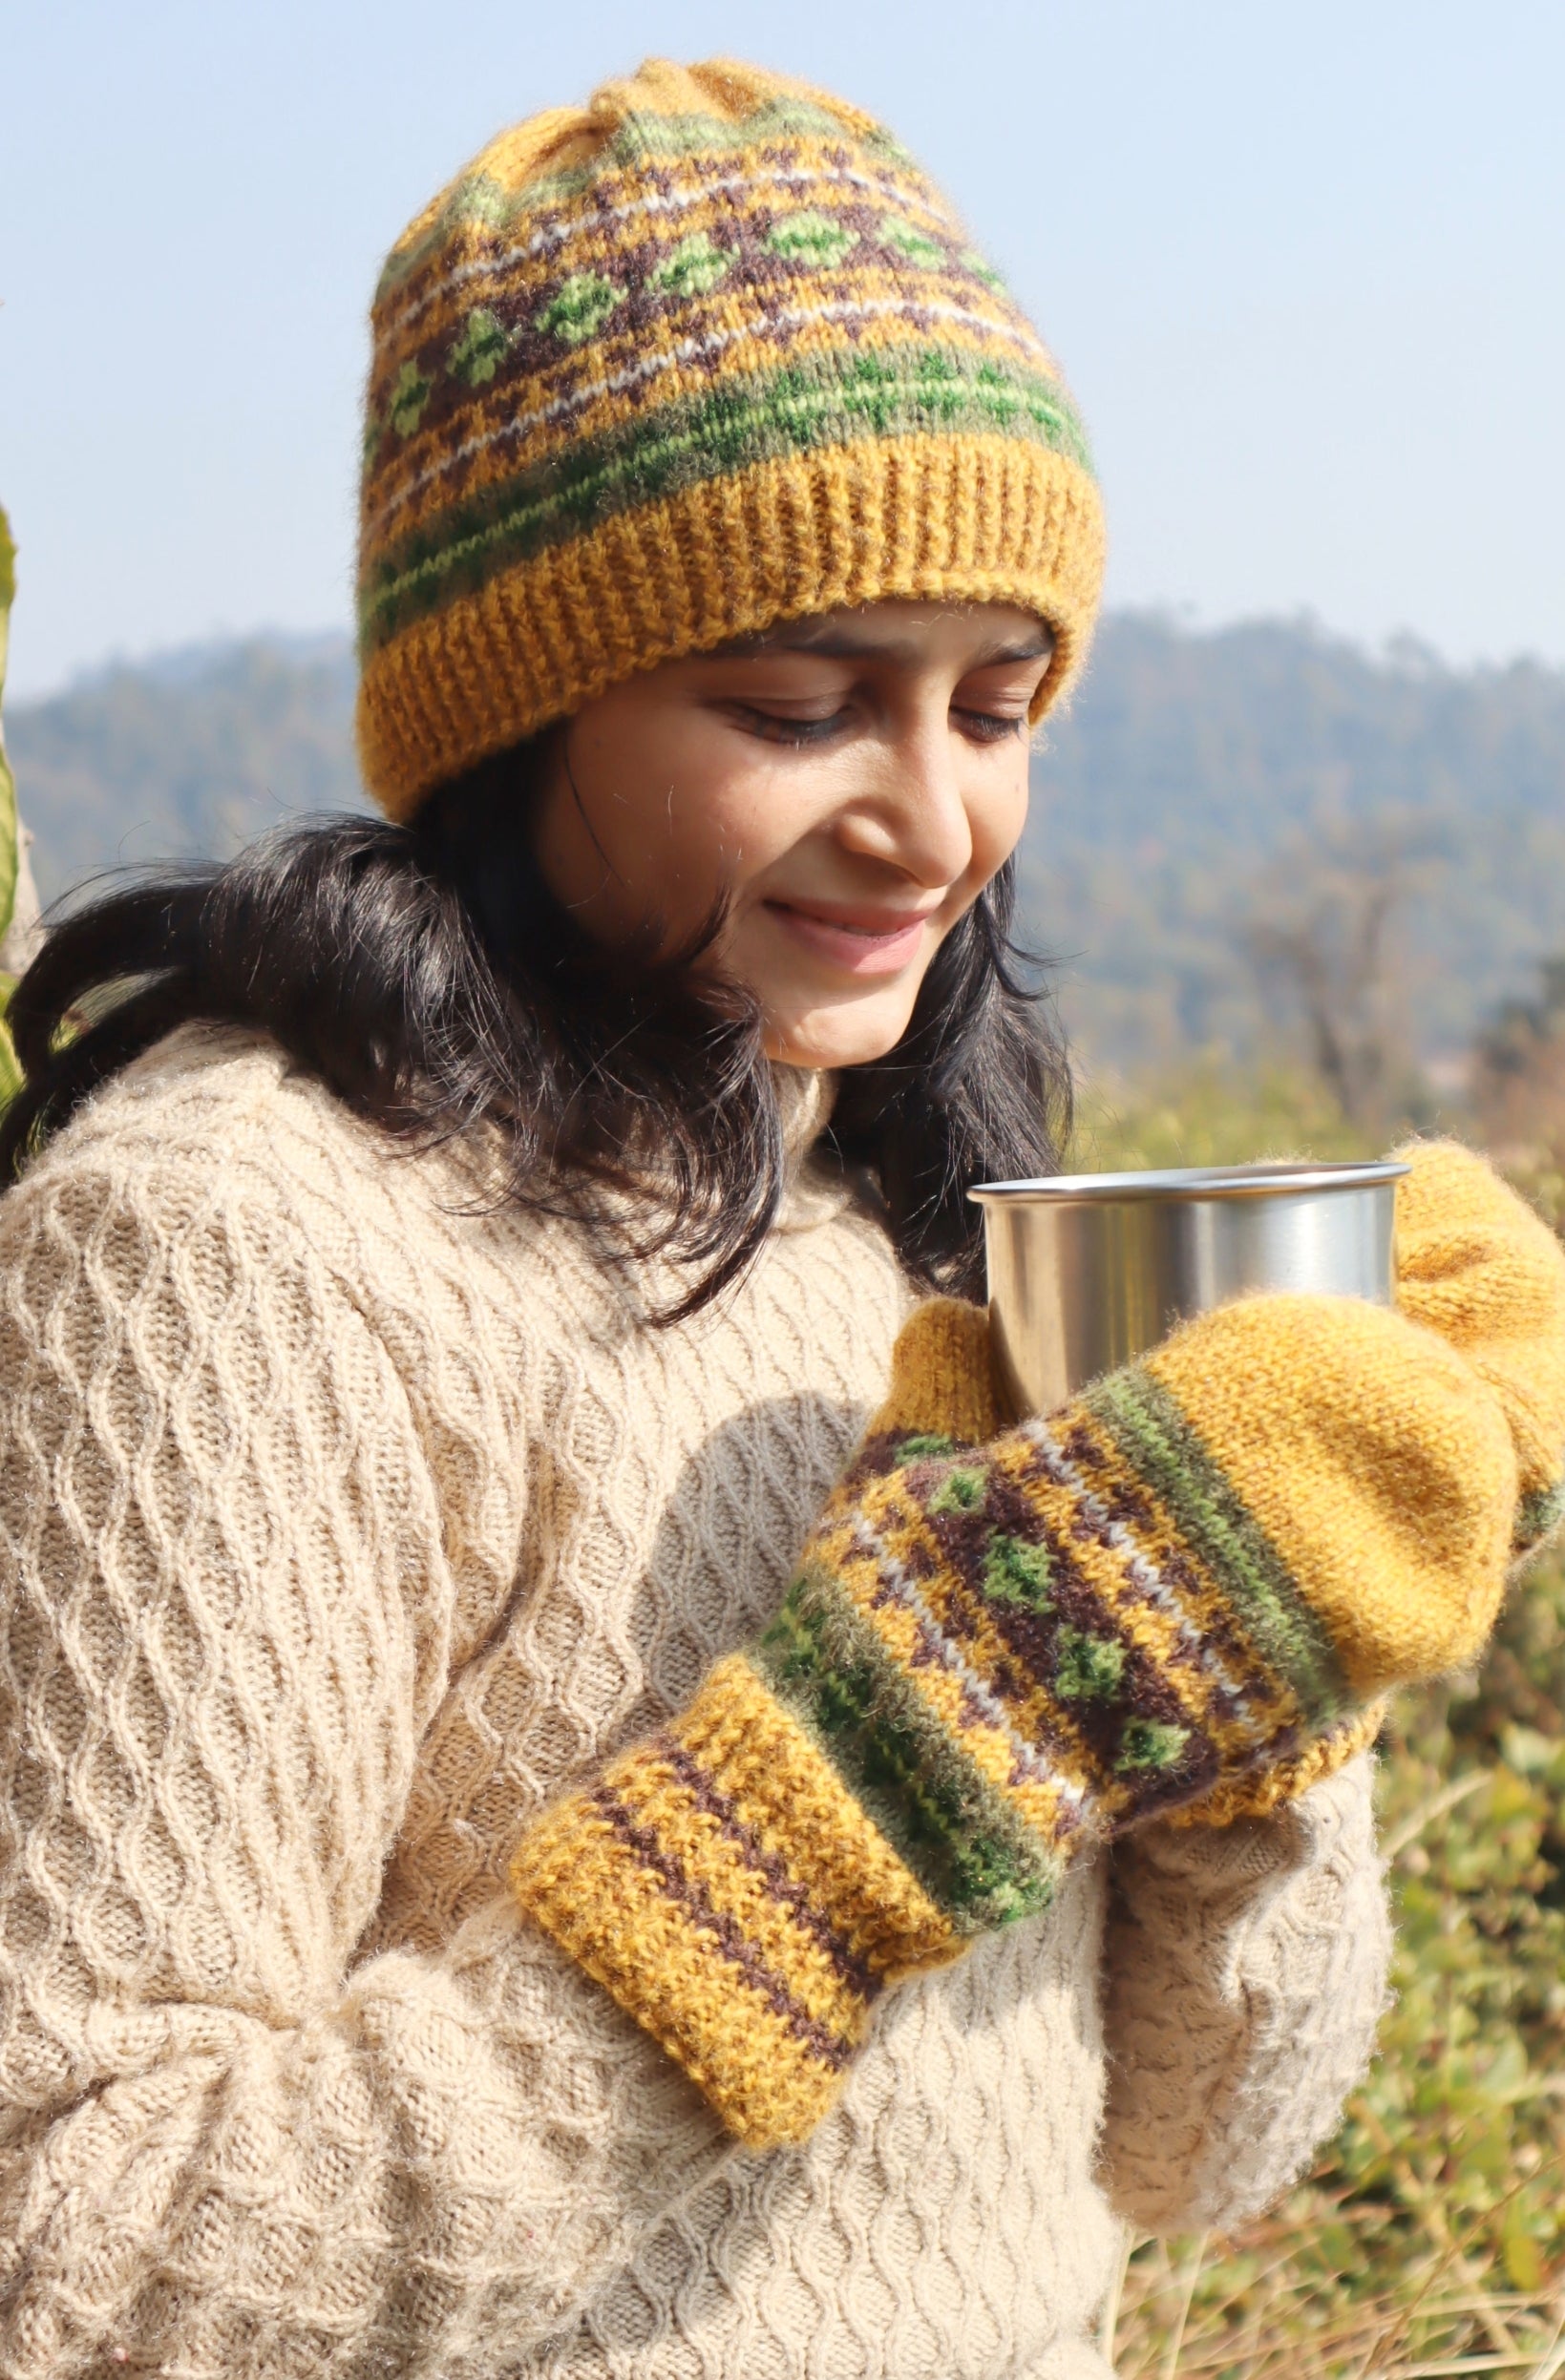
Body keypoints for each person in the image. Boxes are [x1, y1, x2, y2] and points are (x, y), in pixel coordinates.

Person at [1, 55, 1561, 2380]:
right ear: (524, 714)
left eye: (998, 699)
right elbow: (78, 2257)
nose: (934, 820)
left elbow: (1195, 2161)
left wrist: (1250, 1673)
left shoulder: (900, 1219)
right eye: (802, 700)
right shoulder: (237, 1245)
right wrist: (892, 1754)